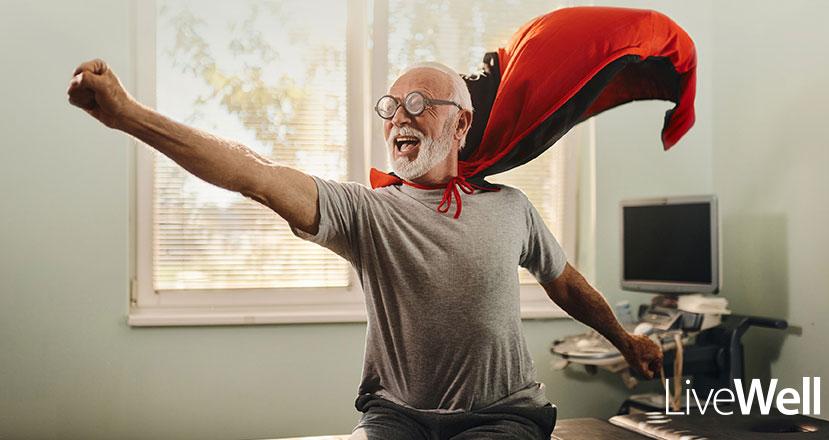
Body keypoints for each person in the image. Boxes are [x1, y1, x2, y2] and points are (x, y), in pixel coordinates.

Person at [67, 58, 663, 440]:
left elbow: (566, 284)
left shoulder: (511, 209)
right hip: (394, 419)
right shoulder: (367, 212)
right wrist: (129, 117)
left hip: (502, 417)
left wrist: (627, 341)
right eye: (392, 106)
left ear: (461, 127)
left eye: (422, 104)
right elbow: (254, 173)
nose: (402, 116)